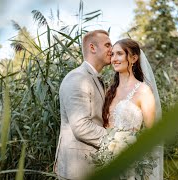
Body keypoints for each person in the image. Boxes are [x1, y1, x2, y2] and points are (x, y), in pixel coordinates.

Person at [53, 29, 112, 180]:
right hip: (77, 168)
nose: (111, 50)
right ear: (92, 48)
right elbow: (81, 126)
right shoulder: (77, 78)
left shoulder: (96, 79)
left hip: (92, 164)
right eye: (107, 45)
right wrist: (116, 139)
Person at [102, 38, 163, 179]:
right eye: (112, 54)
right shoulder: (109, 91)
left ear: (134, 58)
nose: (114, 59)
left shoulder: (144, 91)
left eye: (119, 54)